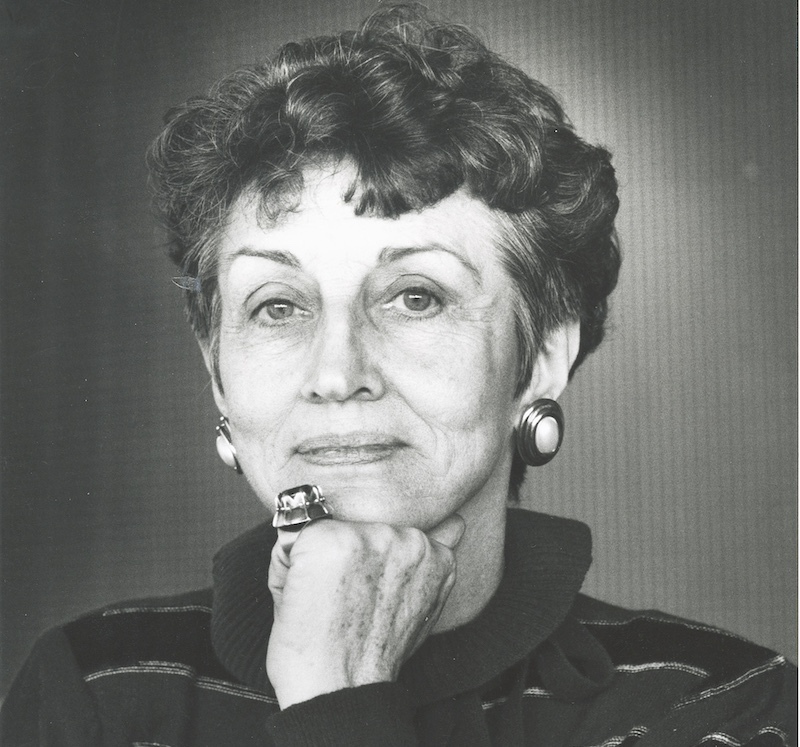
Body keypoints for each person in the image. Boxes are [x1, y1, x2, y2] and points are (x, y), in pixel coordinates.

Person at [1, 4, 795, 746]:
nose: (337, 372)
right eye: (278, 306)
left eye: (416, 297)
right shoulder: (92, 692)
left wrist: (334, 695)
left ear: (542, 351)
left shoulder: (720, 704)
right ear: (216, 367)